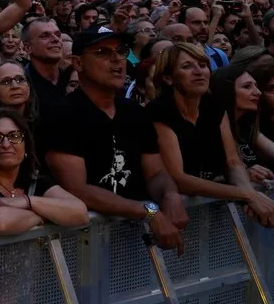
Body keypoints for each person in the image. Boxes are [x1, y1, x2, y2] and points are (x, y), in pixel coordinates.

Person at [41, 28, 187, 253]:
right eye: (102, 52)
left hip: (137, 242)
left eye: (121, 51)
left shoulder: (135, 113)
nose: (117, 59)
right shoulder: (60, 115)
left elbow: (156, 172)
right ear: (77, 64)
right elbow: (77, 189)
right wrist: (149, 210)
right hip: (81, 244)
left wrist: (170, 194)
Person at [148, 44, 274, 224]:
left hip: (204, 212)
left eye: (203, 65)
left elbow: (233, 162)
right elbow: (178, 178)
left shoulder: (214, 106)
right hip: (161, 215)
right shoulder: (158, 112)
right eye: (187, 66)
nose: (198, 71)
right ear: (168, 78)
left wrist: (250, 193)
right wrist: (247, 194)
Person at [0, 109, 88, 234]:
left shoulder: (37, 180)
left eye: (14, 136)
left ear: (26, 145)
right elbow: (1, 223)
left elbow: (81, 213)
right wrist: (47, 215)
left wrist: (28, 202)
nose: (6, 144)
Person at [212, 65, 274, 176]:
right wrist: (242, 174)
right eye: (247, 87)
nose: (258, 92)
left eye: (256, 86)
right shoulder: (212, 129)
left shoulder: (246, 125)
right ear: (226, 90)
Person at [23, 18, 71, 112]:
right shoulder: (22, 84)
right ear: (28, 47)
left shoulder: (71, 79)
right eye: (45, 36)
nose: (56, 39)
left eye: (58, 34)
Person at [0, 60, 38, 124]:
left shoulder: (44, 121)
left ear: (29, 87)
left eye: (20, 79)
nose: (15, 86)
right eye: (6, 82)